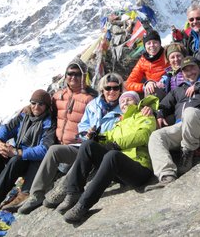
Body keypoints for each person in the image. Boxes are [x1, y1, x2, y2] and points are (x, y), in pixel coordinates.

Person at [18, 72, 123, 214]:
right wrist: (87, 133)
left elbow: (124, 130)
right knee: (55, 150)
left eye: (115, 88)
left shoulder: (125, 105)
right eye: (108, 88)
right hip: (85, 144)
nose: (112, 91)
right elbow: (83, 126)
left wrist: (101, 138)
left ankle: (64, 189)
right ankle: (36, 194)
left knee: (86, 153)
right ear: (102, 90)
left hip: (105, 150)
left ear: (121, 89)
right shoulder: (93, 105)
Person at [57, 91, 158, 224]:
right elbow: (108, 137)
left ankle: (83, 205)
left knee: (113, 155)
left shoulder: (145, 115)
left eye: (129, 100)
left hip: (139, 169)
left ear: (137, 102)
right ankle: (73, 192)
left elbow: (144, 135)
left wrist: (116, 144)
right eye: (122, 101)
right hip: (120, 171)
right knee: (88, 145)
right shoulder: (119, 123)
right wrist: (94, 137)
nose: (125, 103)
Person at [145, 56, 200, 191]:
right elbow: (164, 105)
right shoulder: (178, 90)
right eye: (186, 70)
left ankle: (187, 152)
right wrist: (160, 113)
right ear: (182, 73)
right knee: (156, 136)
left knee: (190, 112)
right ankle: (167, 176)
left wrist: (199, 86)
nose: (190, 72)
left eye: (193, 68)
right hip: (181, 126)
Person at [0, 89, 56, 223]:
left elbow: (45, 149)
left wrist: (17, 152)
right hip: (16, 153)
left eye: (41, 104)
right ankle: (2, 184)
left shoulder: (49, 123)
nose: (36, 107)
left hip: (30, 160)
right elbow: (6, 128)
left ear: (47, 107)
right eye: (34, 103)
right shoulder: (24, 116)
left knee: (15, 160)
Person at [125, 30, 169, 95]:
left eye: (155, 42)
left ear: (160, 43)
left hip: (171, 88)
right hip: (155, 93)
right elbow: (129, 84)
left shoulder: (168, 54)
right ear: (145, 46)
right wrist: (145, 86)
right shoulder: (143, 61)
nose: (152, 45)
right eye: (149, 43)